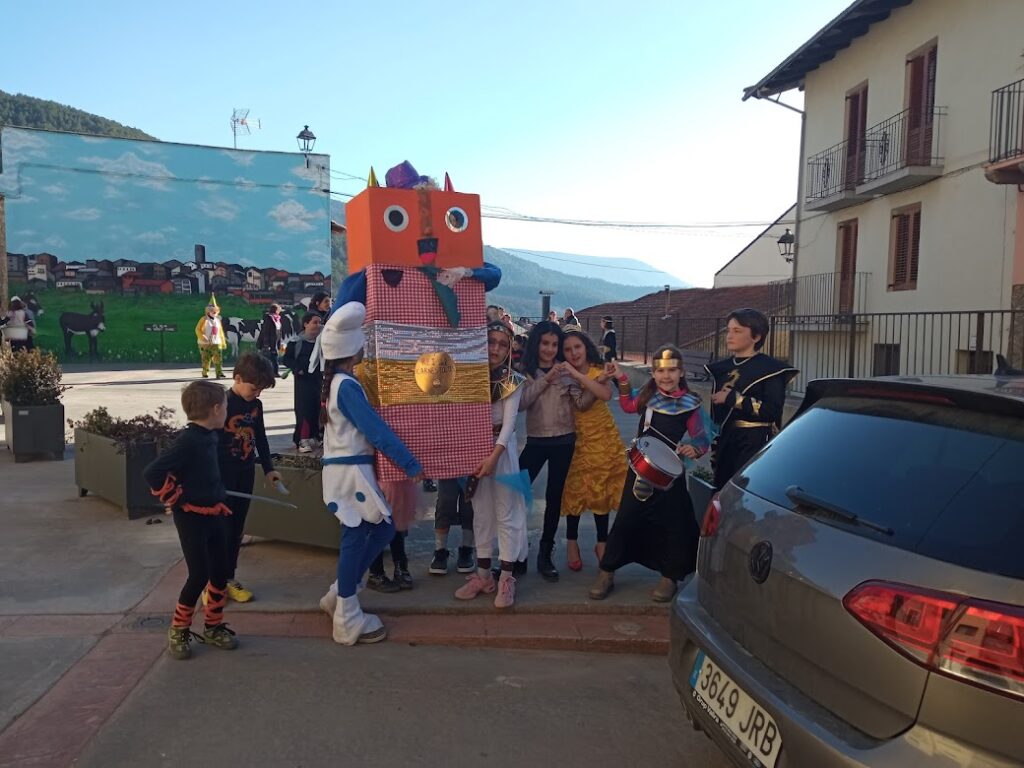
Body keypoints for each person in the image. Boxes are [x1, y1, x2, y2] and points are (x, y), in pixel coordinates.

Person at [316, 301, 424, 645]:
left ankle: (340, 593)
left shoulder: (337, 382)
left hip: (347, 472)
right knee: (359, 536)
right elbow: (375, 430)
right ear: (352, 349)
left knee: (380, 529)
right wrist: (409, 462)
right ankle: (346, 615)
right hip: (351, 473)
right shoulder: (346, 386)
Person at [589, 346, 710, 603]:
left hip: (670, 474)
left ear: (681, 372)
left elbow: (701, 438)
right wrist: (621, 377)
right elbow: (627, 405)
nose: (666, 376)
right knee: (626, 518)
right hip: (640, 470)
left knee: (673, 522)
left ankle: (670, 576)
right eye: (661, 371)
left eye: (672, 370)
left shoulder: (691, 403)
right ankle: (607, 571)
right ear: (653, 373)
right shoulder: (648, 396)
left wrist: (695, 448)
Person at [144, 380, 237, 660]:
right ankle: (179, 629)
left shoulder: (211, 436)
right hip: (191, 518)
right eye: (226, 407)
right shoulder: (188, 441)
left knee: (220, 572)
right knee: (199, 575)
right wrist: (176, 497)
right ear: (216, 409)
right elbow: (152, 472)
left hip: (215, 513)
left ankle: (213, 626)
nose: (227, 412)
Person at [454, 321, 529, 608]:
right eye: (491, 341)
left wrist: (493, 458)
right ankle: (483, 575)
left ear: (509, 349)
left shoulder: (513, 380)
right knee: (481, 513)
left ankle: (506, 578)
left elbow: (508, 425)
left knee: (506, 512)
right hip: (475, 449)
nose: (495, 348)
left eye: (502, 344)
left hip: (502, 452)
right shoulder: (469, 377)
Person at [519, 320, 592, 581]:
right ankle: (517, 552)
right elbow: (522, 403)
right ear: (536, 343)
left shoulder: (566, 371)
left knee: (554, 497)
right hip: (536, 441)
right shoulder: (525, 371)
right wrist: (546, 379)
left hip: (564, 441)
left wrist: (597, 385)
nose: (549, 349)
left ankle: (545, 553)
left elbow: (580, 403)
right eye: (545, 343)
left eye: (554, 344)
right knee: (515, 492)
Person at [706, 308, 798, 491]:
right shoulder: (722, 368)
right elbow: (717, 415)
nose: (729, 336)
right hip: (726, 442)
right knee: (721, 495)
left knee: (744, 495)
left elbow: (772, 411)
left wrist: (733, 399)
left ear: (756, 336)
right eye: (728, 330)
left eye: (737, 331)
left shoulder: (771, 370)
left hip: (754, 444)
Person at [559, 329, 627, 570]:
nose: (574, 353)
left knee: (602, 488)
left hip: (602, 436)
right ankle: (571, 542)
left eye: (577, 347)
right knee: (574, 489)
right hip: (575, 436)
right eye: (568, 349)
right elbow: (580, 404)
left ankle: (602, 542)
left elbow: (605, 395)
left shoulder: (598, 370)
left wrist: (580, 375)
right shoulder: (564, 375)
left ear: (586, 347)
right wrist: (577, 375)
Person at [216, 352, 281, 604]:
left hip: (245, 473)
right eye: (254, 388)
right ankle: (213, 582)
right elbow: (207, 443)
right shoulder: (220, 404)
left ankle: (229, 577)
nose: (258, 394)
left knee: (236, 530)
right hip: (222, 478)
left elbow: (261, 438)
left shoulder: (256, 406)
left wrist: (268, 468)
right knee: (220, 531)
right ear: (237, 378)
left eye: (262, 390)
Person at [282, 312, 324, 453]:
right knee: (304, 410)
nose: (318, 325)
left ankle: (317, 436)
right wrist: (297, 369)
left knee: (318, 408)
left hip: (318, 381)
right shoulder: (296, 342)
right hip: (303, 382)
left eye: (319, 322)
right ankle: (303, 439)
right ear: (306, 324)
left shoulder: (322, 342)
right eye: (314, 322)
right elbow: (286, 359)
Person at [429, 479, 476, 575]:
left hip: (471, 471)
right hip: (448, 472)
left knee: (469, 506)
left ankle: (467, 548)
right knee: (445, 503)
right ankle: (440, 550)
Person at [194, 296, 227, 379]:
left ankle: (219, 372)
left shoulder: (217, 320)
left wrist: (222, 342)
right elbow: (197, 329)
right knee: (206, 358)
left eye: (215, 310)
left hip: (216, 342)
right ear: (208, 311)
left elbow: (220, 332)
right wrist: (202, 336)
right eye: (212, 310)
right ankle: (205, 372)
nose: (214, 312)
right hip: (205, 343)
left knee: (218, 358)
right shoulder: (204, 319)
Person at [256, 303, 284, 376]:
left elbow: (278, 333)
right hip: (269, 343)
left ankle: (274, 372)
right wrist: (266, 344)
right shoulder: (269, 318)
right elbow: (266, 332)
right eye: (279, 310)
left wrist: (279, 344)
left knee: (274, 357)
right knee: (269, 358)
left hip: (275, 342)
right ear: (276, 310)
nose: (279, 312)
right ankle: (271, 372)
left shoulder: (277, 319)